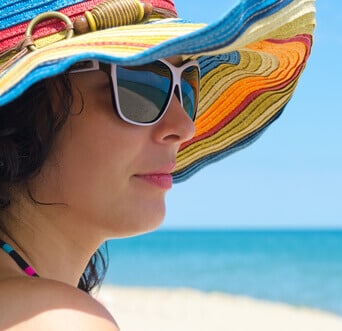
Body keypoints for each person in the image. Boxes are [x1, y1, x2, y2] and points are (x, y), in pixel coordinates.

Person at [0, 0, 315, 329]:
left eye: (187, 88)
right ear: (28, 106)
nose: (183, 126)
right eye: (141, 85)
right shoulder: (59, 321)